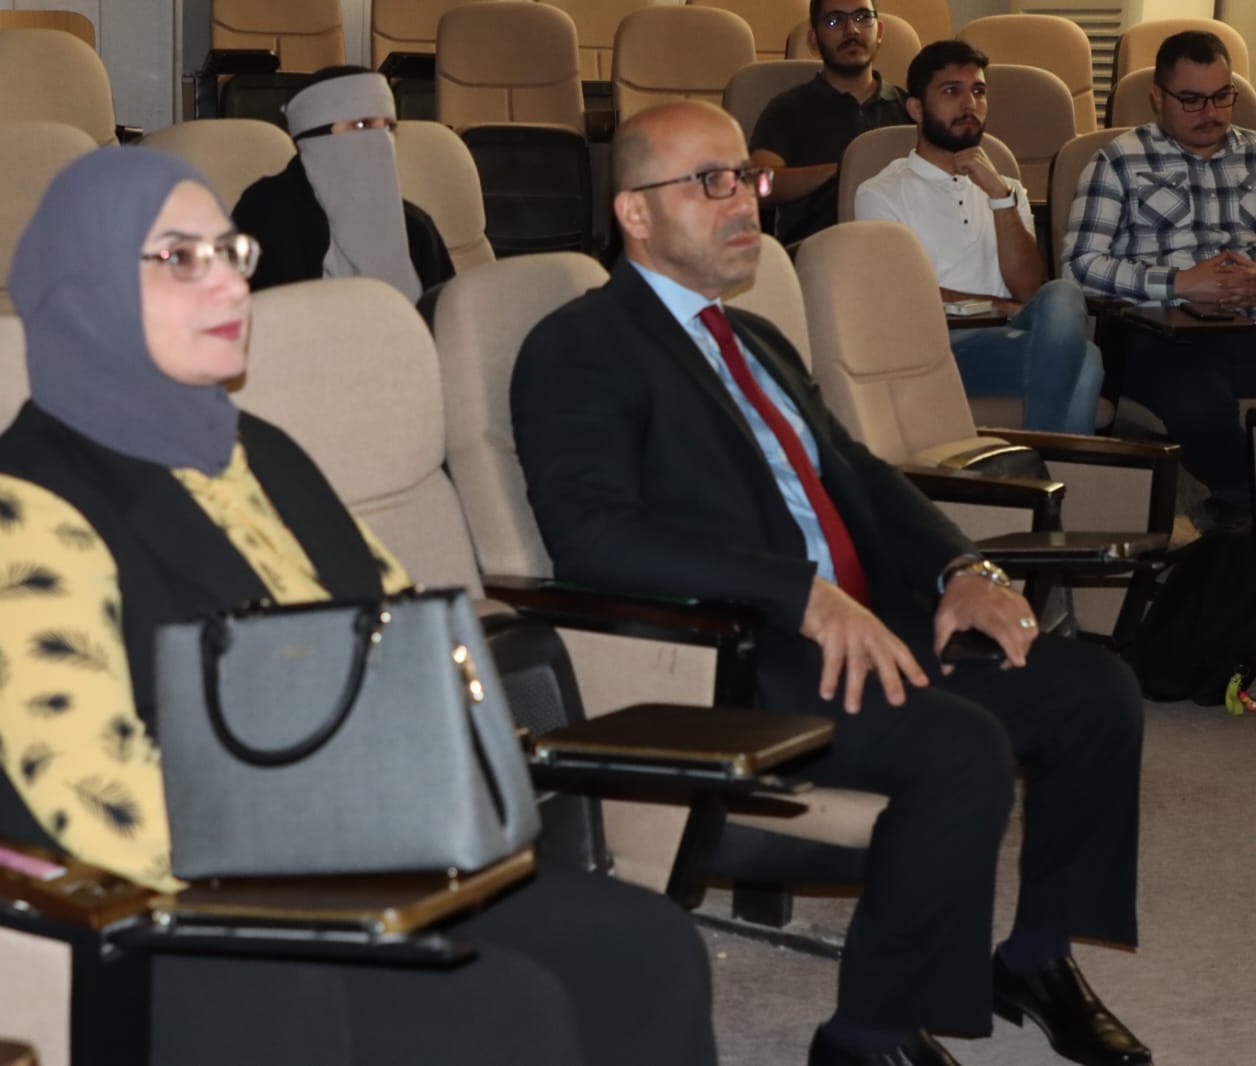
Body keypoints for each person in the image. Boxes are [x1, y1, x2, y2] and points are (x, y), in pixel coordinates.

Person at [0, 146, 715, 1066]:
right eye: (179, 258)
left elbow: (406, 649)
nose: (228, 284)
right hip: (172, 929)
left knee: (650, 950)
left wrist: (446, 783)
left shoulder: (259, 453)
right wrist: (362, 842)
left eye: (231, 252)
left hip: (357, 865)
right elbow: (107, 811)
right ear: (86, 287)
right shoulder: (8, 512)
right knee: (504, 1011)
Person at [512, 100, 1150, 1066]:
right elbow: (595, 538)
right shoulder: (581, 345)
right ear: (634, 213)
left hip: (862, 622)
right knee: (958, 748)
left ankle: (1033, 958)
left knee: (1094, 691)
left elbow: (859, 474)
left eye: (747, 178)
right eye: (710, 183)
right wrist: (798, 595)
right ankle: (865, 1034)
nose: (744, 203)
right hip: (733, 654)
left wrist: (962, 567)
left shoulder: (755, 337)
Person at [855, 40, 1103, 435]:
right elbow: (900, 293)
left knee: (1062, 294)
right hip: (935, 348)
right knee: (1086, 359)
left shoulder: (1006, 188)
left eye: (979, 91)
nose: (969, 103)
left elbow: (1027, 290)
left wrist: (1000, 199)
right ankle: (1048, 463)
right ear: (916, 108)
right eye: (951, 91)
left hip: (1008, 338)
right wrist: (996, 305)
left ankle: (1037, 464)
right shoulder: (880, 192)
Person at [1063, 29, 1256, 527]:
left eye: (1222, 96)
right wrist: (1179, 282)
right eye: (1191, 99)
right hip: (1158, 333)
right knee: (1201, 403)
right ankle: (1240, 503)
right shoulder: (1118, 161)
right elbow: (1079, 267)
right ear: (1157, 97)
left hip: (1247, 325)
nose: (1209, 112)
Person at [233, 66, 452, 297]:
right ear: (314, 136)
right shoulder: (266, 212)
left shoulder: (416, 228)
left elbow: (447, 313)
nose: (382, 140)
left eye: (389, 127)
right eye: (362, 125)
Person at [748, 0, 908, 243]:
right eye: (835, 21)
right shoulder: (788, 109)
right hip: (816, 251)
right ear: (813, 39)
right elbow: (759, 185)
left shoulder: (910, 109)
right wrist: (843, 170)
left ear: (880, 31)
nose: (852, 30)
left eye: (863, 18)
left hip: (901, 248)